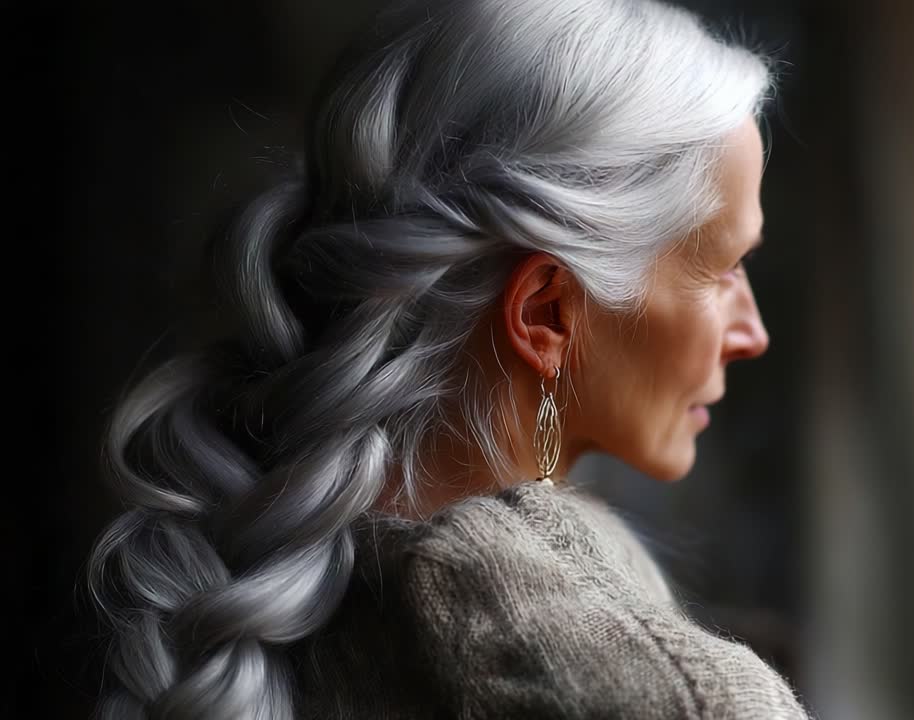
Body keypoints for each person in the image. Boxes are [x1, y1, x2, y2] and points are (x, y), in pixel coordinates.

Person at [86, 0, 810, 717]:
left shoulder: (252, 611)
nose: (751, 332)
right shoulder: (686, 700)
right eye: (724, 269)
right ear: (546, 315)